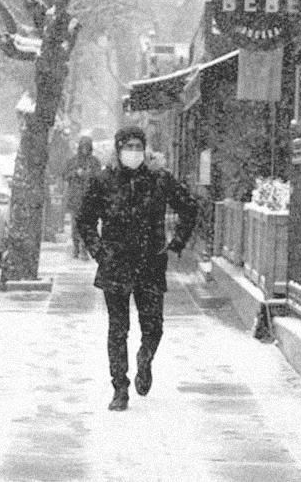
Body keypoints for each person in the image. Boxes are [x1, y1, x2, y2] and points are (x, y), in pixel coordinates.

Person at [77, 126, 198, 411]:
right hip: (115, 265)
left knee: (153, 325)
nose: (133, 152)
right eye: (128, 146)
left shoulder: (159, 179)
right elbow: (85, 219)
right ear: (118, 149)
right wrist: (99, 251)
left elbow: (189, 207)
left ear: (145, 150)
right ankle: (120, 387)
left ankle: (146, 358)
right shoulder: (103, 181)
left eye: (138, 147)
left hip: (150, 263)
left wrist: (176, 243)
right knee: (118, 330)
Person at [62, 136, 102, 258]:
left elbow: (99, 177)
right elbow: (65, 175)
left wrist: (90, 175)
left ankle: (85, 248)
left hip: (90, 197)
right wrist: (75, 173)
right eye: (83, 146)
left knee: (88, 225)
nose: (85, 149)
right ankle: (76, 247)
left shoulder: (94, 162)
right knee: (75, 225)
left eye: (87, 147)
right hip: (75, 198)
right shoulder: (73, 161)